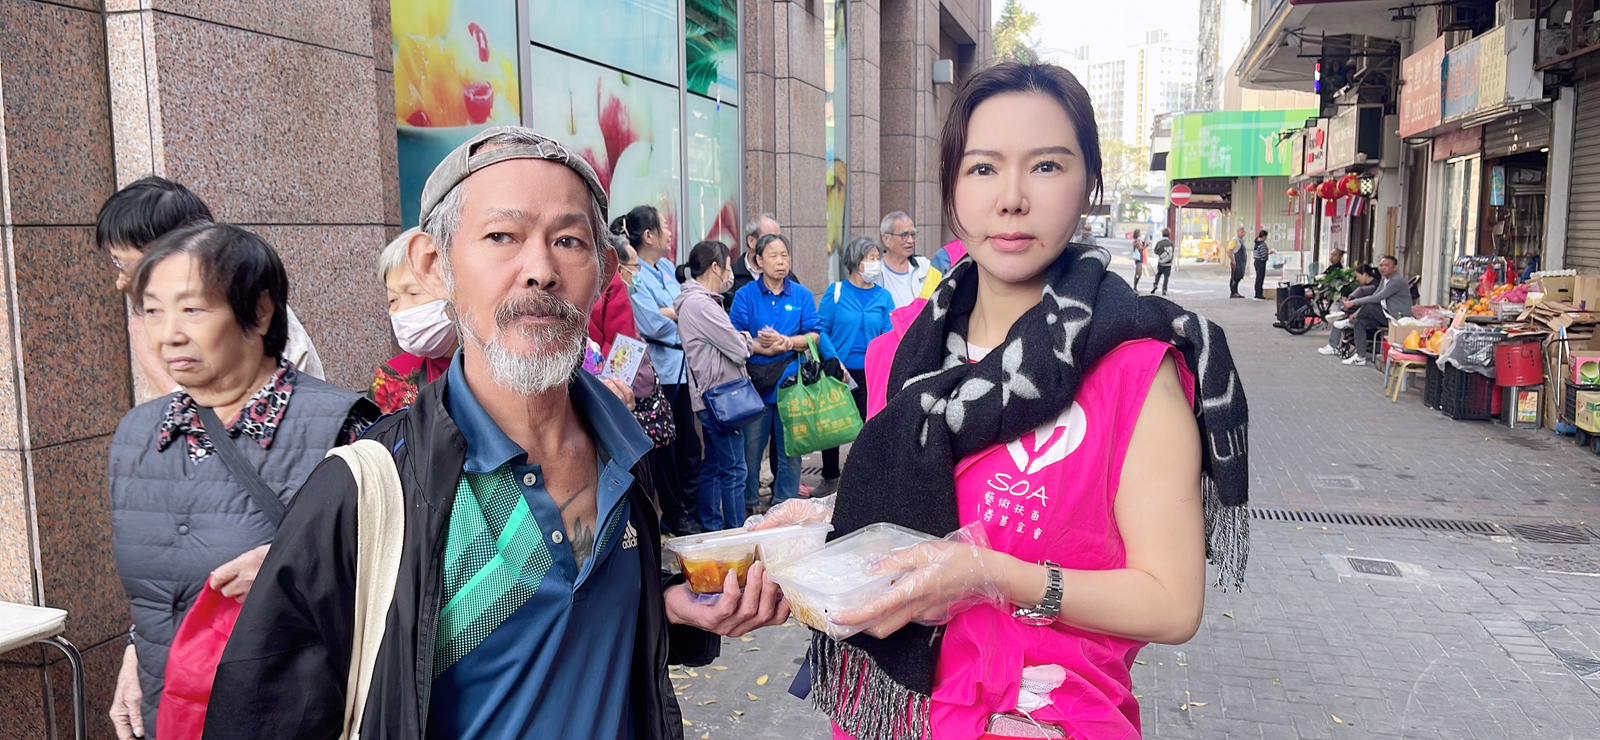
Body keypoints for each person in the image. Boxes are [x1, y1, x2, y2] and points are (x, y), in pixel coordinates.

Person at [206, 127, 788, 739]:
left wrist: (668, 608)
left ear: (604, 273)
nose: (540, 271)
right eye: (502, 236)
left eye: (568, 241)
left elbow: (573, 620)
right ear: (435, 266)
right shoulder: (371, 493)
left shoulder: (625, 451)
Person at [754, 61, 1250, 739]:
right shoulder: (905, 350)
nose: (1012, 198)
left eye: (1046, 166)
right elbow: (918, 506)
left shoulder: (1136, 369)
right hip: (896, 719)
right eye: (983, 168)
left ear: (1088, 184)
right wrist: (817, 525)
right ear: (952, 188)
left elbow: (1172, 604)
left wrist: (991, 575)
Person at [108, 223, 378, 738]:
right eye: (152, 311)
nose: (169, 333)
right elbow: (157, 588)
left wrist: (296, 571)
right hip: (173, 715)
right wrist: (137, 653)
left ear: (259, 311)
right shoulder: (136, 435)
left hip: (295, 720)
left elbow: (406, 578)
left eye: (192, 309)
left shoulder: (345, 428)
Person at [96, 176, 327, 399]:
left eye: (122, 264)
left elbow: (265, 416)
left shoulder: (243, 312)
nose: (120, 283)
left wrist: (156, 369)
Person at [615, 205, 703, 536]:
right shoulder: (633, 273)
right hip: (658, 373)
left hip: (683, 368)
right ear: (649, 236)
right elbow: (651, 321)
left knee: (690, 445)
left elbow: (687, 306)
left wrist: (674, 312)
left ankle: (688, 510)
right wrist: (678, 314)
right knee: (666, 448)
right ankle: (675, 515)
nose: (669, 233)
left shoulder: (666, 267)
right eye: (664, 227)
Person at [730, 234, 821, 510]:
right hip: (755, 386)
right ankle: (749, 505)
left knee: (791, 452)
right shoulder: (745, 296)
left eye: (784, 255)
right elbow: (734, 336)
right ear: (758, 261)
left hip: (791, 385)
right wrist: (762, 345)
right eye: (773, 255)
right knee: (751, 451)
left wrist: (788, 342)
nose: (781, 261)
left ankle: (785, 505)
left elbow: (814, 335)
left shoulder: (801, 295)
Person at [675, 240, 755, 531]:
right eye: (727, 266)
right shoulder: (701, 305)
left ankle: (712, 525)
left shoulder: (697, 301)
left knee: (714, 465)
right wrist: (746, 338)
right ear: (715, 268)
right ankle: (736, 531)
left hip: (710, 395)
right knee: (734, 469)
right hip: (720, 396)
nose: (729, 274)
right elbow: (739, 349)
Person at [815, 236, 895, 496]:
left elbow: (889, 333)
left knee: (868, 426)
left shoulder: (883, 297)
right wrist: (834, 359)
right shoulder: (836, 292)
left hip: (871, 372)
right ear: (856, 261)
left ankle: (863, 479)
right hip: (840, 370)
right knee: (833, 423)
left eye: (878, 258)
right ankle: (830, 477)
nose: (876, 263)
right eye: (870, 258)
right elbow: (821, 329)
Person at [371, 227, 456, 414]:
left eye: (414, 293)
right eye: (393, 300)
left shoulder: (506, 366)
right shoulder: (392, 379)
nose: (402, 310)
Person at [1341, 255, 1412, 367]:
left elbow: (1378, 298)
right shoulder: (1384, 279)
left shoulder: (1396, 281)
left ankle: (1348, 322)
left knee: (1370, 305)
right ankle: (1360, 357)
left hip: (1395, 318)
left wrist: (1353, 303)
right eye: (1381, 265)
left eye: (1387, 265)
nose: (1383, 268)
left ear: (1395, 267)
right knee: (1359, 323)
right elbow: (1375, 294)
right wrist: (1356, 313)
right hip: (1384, 314)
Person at [589, 233, 642, 356]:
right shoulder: (613, 285)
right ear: (618, 267)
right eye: (635, 267)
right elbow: (624, 343)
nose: (637, 273)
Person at [1318, 264, 1378, 357]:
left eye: (1358, 276)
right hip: (1360, 313)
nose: (1357, 279)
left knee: (1337, 321)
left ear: (1365, 274)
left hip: (1366, 316)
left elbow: (1364, 302)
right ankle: (1333, 345)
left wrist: (1350, 304)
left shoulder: (1370, 288)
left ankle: (1333, 346)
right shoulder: (1371, 286)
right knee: (1337, 319)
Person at [876, 211, 932, 308]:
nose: (910, 241)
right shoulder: (876, 271)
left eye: (913, 235)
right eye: (904, 235)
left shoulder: (924, 265)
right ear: (886, 239)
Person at [732, 213, 782, 299]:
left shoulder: (785, 276)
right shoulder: (731, 277)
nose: (777, 244)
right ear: (751, 241)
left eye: (779, 239)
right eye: (769, 239)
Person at [1150, 227, 1174, 295]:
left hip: (1161, 263)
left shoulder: (1159, 243)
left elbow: (1155, 251)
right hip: (1168, 264)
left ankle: (1155, 284)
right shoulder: (1171, 243)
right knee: (1166, 278)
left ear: (1162, 234)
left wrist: (1160, 253)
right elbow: (1172, 252)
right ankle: (1164, 290)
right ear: (1169, 234)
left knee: (1158, 274)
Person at [1228, 227, 1248, 299]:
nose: (1243, 234)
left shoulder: (1241, 240)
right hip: (1236, 261)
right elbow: (1229, 250)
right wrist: (1233, 260)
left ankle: (1236, 292)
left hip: (1241, 262)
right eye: (1242, 232)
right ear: (1238, 232)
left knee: (1239, 276)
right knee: (1235, 277)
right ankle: (1233, 292)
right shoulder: (1235, 240)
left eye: (1244, 232)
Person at [1252, 229, 1271, 300]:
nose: (1266, 238)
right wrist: (1269, 253)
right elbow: (1263, 255)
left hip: (1256, 261)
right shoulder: (1262, 244)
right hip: (1261, 262)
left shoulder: (1256, 242)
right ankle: (1259, 294)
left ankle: (1257, 293)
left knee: (1258, 278)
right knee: (1260, 279)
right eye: (1266, 236)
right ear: (1263, 236)